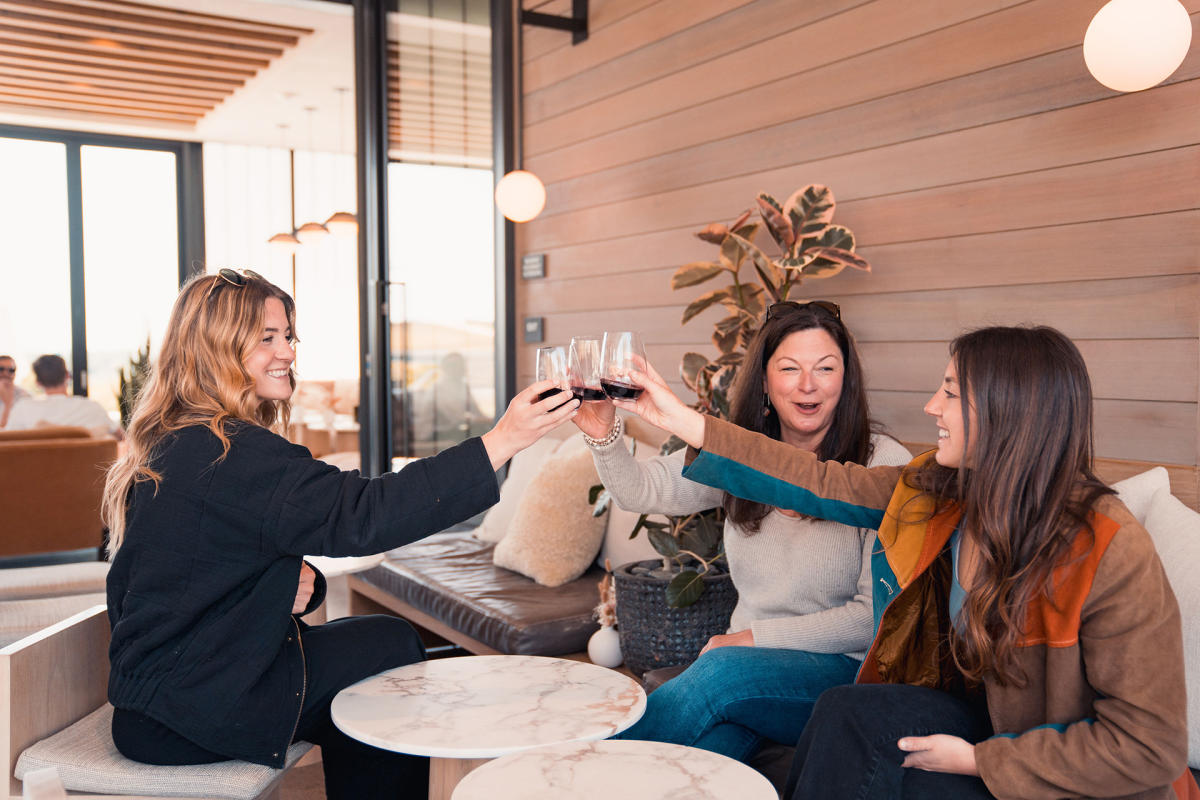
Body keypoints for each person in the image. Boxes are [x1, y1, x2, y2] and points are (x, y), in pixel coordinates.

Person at [612, 324, 1195, 800]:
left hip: (1048, 768)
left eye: (950, 391)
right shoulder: (941, 490)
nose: (930, 406)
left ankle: (597, 771)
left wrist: (978, 761)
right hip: (981, 715)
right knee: (845, 713)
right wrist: (681, 420)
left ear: (1007, 413)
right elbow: (812, 480)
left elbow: (1150, 748)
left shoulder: (1109, 548)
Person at [100, 269, 578, 800]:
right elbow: (366, 514)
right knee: (388, 649)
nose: (287, 352)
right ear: (215, 349)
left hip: (157, 701)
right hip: (195, 709)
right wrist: (502, 440)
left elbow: (198, 572)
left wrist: (297, 585)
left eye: (288, 336)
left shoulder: (174, 442)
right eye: (267, 338)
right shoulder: (232, 454)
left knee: (377, 644)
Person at [577, 301, 911, 764]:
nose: (808, 384)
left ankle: (579, 776)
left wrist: (752, 640)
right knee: (703, 764)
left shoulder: (881, 465)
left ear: (846, 379)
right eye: (790, 368)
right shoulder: (738, 455)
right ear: (766, 382)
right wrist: (603, 435)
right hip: (746, 664)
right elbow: (642, 489)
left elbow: (868, 619)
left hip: (843, 671)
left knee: (719, 676)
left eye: (825, 368)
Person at [5, 354, 120, 436]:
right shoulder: (93, 408)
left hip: (37, 469)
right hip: (87, 469)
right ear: (67, 376)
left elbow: (6, 441)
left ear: (38, 383)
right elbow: (121, 437)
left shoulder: (23, 408)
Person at [0, 354, 30, 428]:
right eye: (1, 369)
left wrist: (8, 403)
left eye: (11, 370)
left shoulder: (25, 396)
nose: (6, 373)